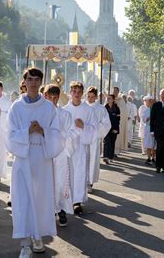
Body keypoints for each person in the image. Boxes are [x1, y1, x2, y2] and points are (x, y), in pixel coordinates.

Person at [6, 68, 63, 257]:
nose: (33, 82)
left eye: (37, 79)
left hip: (42, 161)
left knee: (39, 200)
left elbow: (57, 134)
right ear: (24, 82)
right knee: (22, 201)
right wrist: (27, 132)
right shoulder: (16, 107)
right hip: (23, 161)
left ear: (41, 83)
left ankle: (38, 237)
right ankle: (24, 244)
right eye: (29, 79)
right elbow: (9, 135)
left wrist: (43, 130)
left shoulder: (48, 108)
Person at [63, 81, 97, 215]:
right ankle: (66, 198)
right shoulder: (65, 110)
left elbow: (94, 130)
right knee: (67, 172)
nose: (76, 94)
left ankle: (77, 201)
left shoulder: (88, 110)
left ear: (82, 94)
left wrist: (84, 127)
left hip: (81, 147)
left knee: (79, 173)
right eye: (74, 92)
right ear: (70, 93)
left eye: (79, 92)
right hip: (67, 147)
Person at [43, 84, 73, 227]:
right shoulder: (40, 114)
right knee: (46, 183)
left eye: (55, 98)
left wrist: (59, 136)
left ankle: (61, 209)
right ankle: (47, 211)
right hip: (44, 154)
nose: (53, 102)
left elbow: (71, 133)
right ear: (45, 96)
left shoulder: (65, 115)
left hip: (60, 153)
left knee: (60, 183)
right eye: (50, 98)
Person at [86, 87, 111, 192]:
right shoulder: (82, 106)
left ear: (96, 97)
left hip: (94, 139)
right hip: (82, 139)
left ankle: (90, 182)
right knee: (82, 161)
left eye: (92, 97)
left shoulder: (101, 109)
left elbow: (106, 124)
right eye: (88, 96)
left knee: (92, 161)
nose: (90, 99)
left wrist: (95, 131)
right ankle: (81, 182)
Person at [138, 96, 155, 165]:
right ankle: (148, 158)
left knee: (154, 144)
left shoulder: (156, 109)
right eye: (149, 101)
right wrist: (150, 117)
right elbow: (144, 119)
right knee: (148, 144)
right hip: (148, 128)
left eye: (151, 101)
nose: (150, 103)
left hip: (155, 129)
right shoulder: (145, 110)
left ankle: (153, 158)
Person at [103, 94, 120, 164]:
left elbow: (118, 119)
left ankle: (111, 157)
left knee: (112, 142)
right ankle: (106, 157)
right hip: (106, 128)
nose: (108, 100)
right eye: (107, 98)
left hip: (114, 128)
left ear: (113, 100)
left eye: (110, 98)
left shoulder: (116, 108)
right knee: (107, 142)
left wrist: (116, 129)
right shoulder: (104, 108)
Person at [112, 87, 128, 155]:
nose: (115, 92)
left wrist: (117, 106)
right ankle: (108, 151)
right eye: (113, 90)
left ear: (118, 92)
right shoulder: (109, 98)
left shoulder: (121, 100)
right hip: (110, 120)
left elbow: (123, 111)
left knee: (117, 136)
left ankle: (116, 151)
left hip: (117, 121)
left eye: (116, 91)